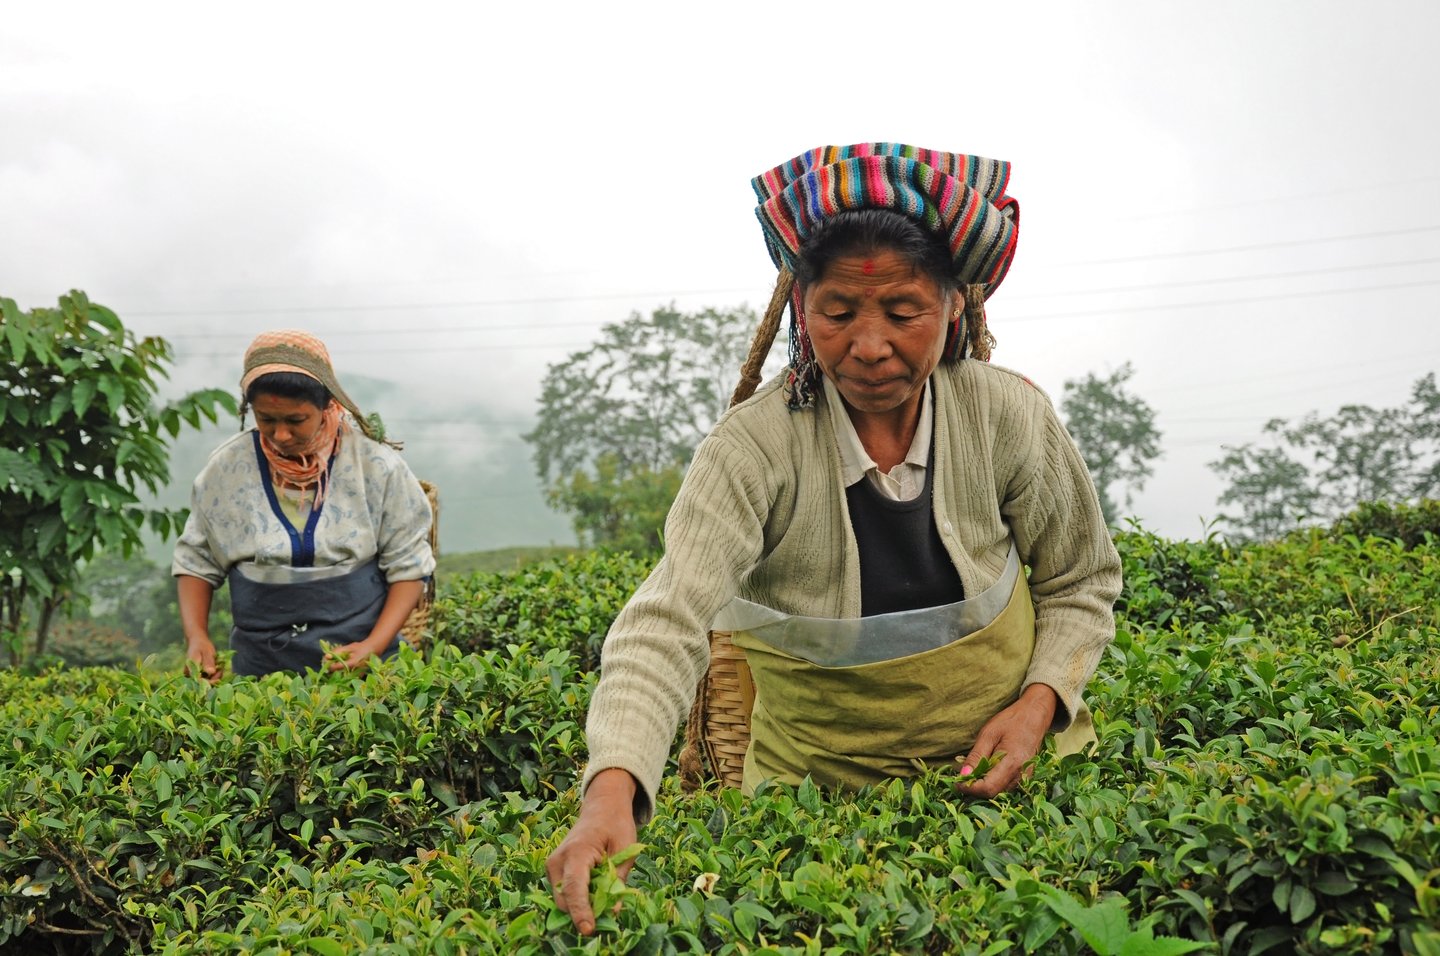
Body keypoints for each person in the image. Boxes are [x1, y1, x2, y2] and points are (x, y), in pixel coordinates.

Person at [547, 143, 1122, 935]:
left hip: (1015, 784)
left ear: (954, 305)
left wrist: (1039, 703)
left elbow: (1079, 580)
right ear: (800, 309)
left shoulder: (1009, 416)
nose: (871, 345)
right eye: (839, 312)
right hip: (814, 824)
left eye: (903, 311)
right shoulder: (751, 450)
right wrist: (613, 787)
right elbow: (667, 617)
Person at [172, 329, 436, 680]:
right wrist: (197, 637)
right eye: (266, 419)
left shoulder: (374, 466)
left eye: (296, 420)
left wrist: (373, 645)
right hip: (262, 669)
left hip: (362, 664)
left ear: (327, 406)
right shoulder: (226, 469)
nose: (281, 435)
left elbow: (409, 566)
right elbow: (197, 561)